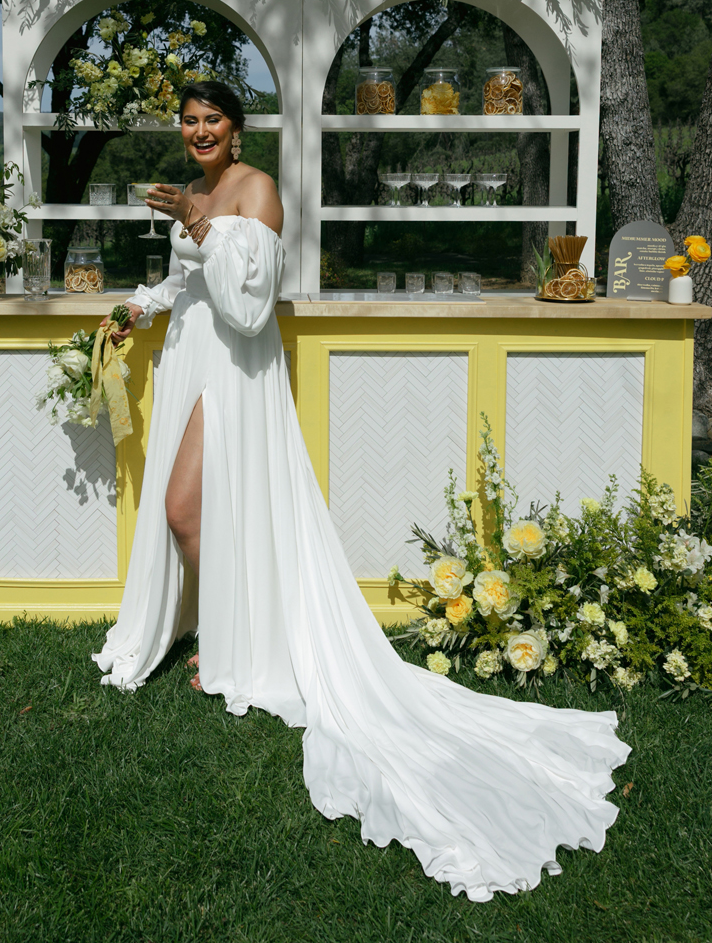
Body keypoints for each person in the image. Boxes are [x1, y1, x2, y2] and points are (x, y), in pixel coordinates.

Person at [93, 80, 629, 902]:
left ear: (237, 129)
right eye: (190, 121)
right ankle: (226, 633)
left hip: (233, 368)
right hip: (191, 355)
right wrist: (138, 304)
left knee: (183, 508)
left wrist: (199, 222)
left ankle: (238, 643)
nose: (200, 132)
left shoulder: (258, 191)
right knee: (194, 512)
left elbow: (249, 307)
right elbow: (190, 285)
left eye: (213, 121)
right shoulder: (196, 190)